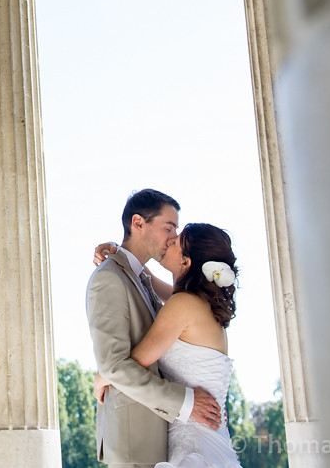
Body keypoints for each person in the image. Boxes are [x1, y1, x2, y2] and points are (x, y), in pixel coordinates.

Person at [86, 189, 223, 468]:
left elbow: (114, 368)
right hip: (133, 439)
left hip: (164, 435)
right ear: (138, 223)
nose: (173, 238)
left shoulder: (151, 284)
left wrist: (102, 377)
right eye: (169, 228)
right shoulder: (109, 279)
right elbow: (115, 364)